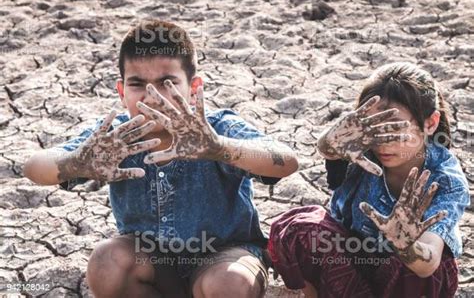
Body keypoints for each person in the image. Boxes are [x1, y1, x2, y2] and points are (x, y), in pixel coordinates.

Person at [23, 19, 299, 298]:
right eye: (137, 84)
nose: (152, 96)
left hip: (224, 256)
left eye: (167, 83)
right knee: (106, 262)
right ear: (122, 92)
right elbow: (34, 168)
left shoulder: (215, 128)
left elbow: (286, 160)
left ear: (194, 88)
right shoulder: (112, 139)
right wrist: (77, 164)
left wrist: (220, 148)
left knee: (228, 282)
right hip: (152, 264)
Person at [268, 62, 470, 298]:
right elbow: (329, 148)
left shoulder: (445, 180)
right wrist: (329, 143)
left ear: (430, 123)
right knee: (297, 228)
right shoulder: (361, 147)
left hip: (405, 273)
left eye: (394, 129)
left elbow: (429, 263)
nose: (382, 143)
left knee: (419, 270)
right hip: (355, 263)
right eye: (375, 130)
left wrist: (404, 246)